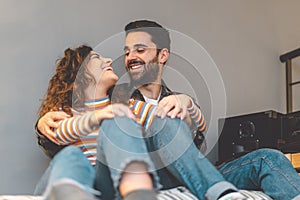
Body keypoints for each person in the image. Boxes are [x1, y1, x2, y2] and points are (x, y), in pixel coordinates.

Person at [35, 20, 300, 199]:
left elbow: (197, 132)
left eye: (139, 49)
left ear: (162, 55)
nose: (128, 58)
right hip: (145, 174)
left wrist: (188, 103)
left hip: (191, 173)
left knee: (269, 157)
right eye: (126, 52)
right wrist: (44, 122)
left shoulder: (167, 100)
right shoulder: (120, 98)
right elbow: (62, 132)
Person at [35, 45, 203, 200]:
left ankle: (138, 191)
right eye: (96, 58)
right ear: (79, 72)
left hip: (116, 178)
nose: (109, 60)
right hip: (85, 179)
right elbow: (55, 134)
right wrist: (43, 125)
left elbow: (166, 122)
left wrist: (185, 101)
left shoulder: (126, 105)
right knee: (70, 157)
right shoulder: (64, 111)